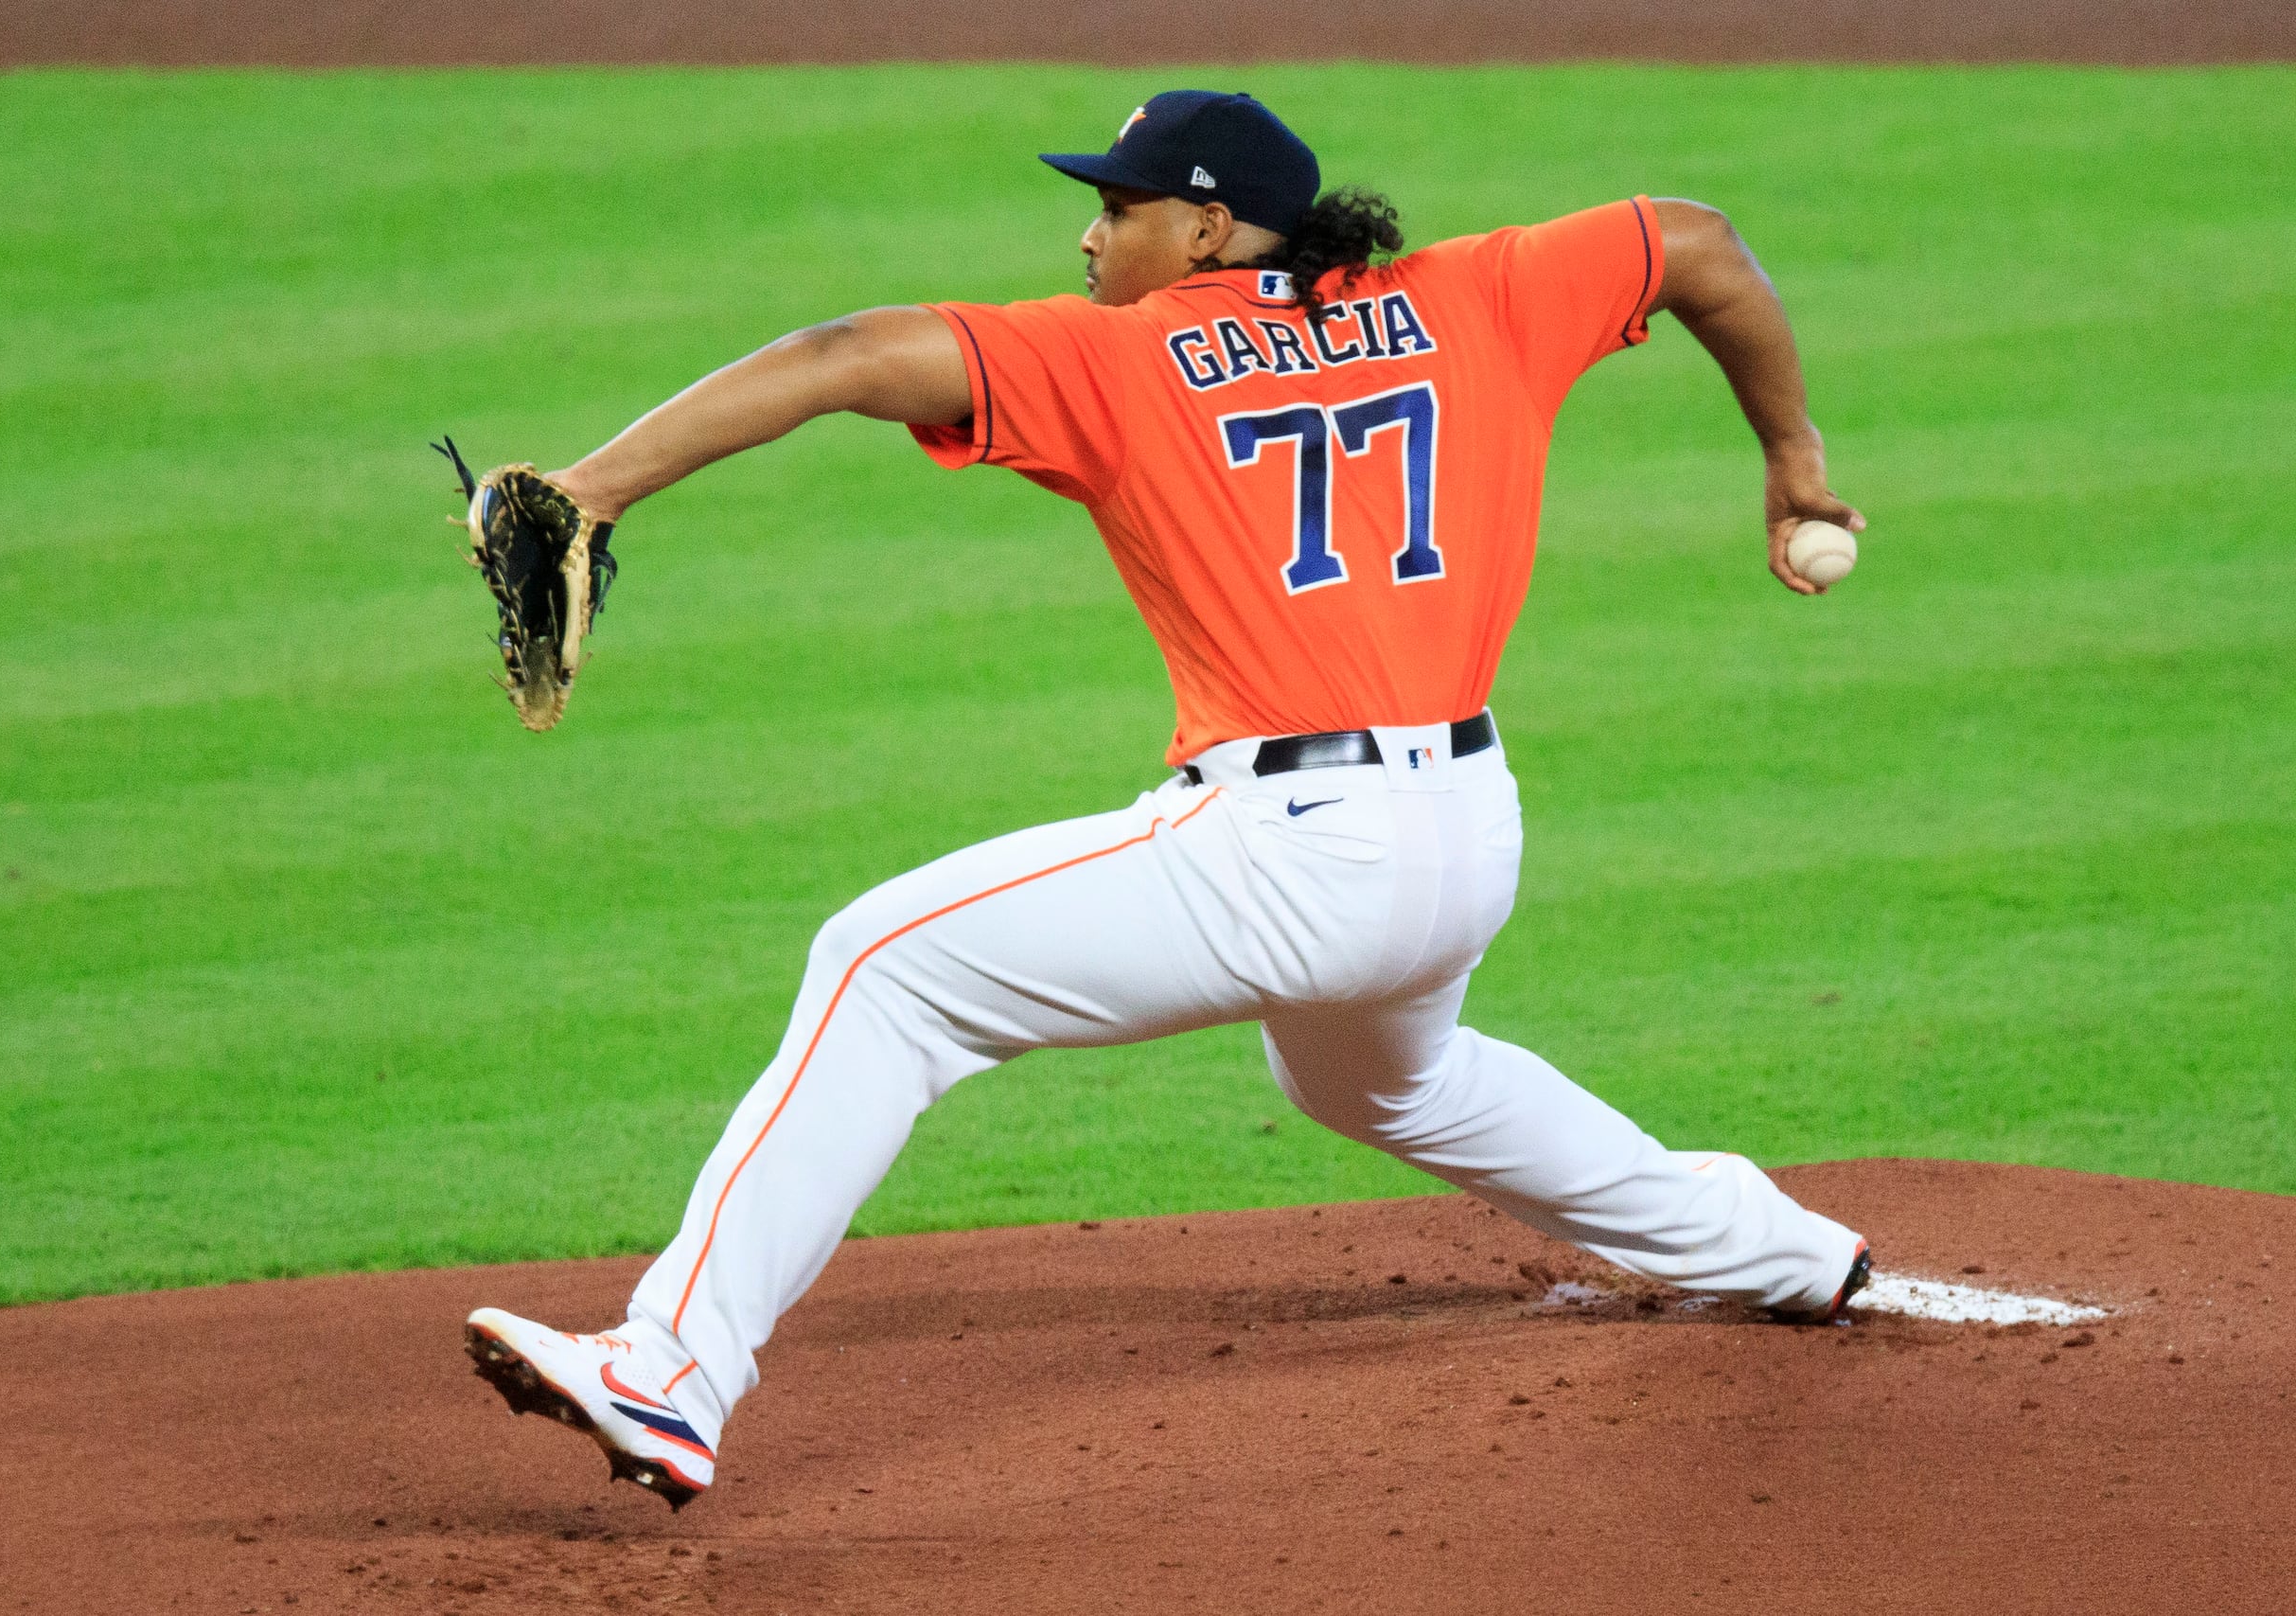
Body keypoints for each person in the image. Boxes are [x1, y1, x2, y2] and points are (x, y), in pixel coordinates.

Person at [463, 89, 1872, 1510]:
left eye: (1118, 208)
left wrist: (593, 489)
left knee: (883, 969)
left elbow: (843, 356)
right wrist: (1792, 460)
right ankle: (1774, 1250)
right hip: (1468, 830)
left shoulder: (1129, 358)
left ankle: (671, 1371)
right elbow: (1696, 242)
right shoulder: (1474, 296)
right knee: (1382, 1078)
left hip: (1293, 853)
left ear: (1207, 224)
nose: (1088, 236)